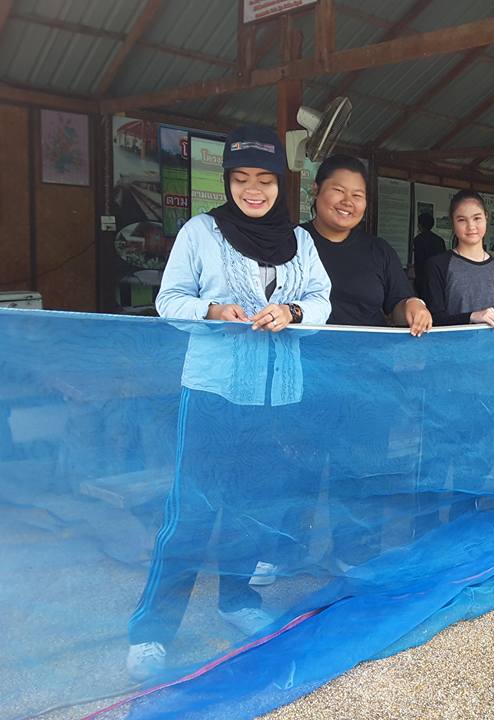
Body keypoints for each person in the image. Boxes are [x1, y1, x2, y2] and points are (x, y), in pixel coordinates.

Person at [127, 126, 332, 680]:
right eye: (241, 179)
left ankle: (237, 600)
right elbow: (168, 300)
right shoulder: (202, 231)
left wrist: (292, 313)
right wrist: (211, 312)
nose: (253, 190)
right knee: (191, 509)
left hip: (275, 394)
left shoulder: (300, 240)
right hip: (214, 391)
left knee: (252, 503)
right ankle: (152, 630)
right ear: (228, 181)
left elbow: (321, 300)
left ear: (280, 185)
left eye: (265, 180)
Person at [300, 154, 432, 335]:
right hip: (304, 357)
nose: (347, 202)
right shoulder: (292, 242)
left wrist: (414, 306)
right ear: (316, 189)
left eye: (357, 195)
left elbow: (397, 306)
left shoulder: (378, 250)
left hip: (368, 357)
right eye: (338, 190)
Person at [424, 189, 494, 328]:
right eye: (461, 220)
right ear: (452, 223)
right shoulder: (438, 265)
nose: (471, 226)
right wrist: (472, 316)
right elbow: (432, 319)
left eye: (477, 218)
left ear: (486, 217)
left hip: (492, 349)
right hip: (450, 348)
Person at [412, 212, 446, 299]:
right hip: (437, 278)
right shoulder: (439, 240)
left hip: (423, 278)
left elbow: (418, 261)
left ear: (420, 225)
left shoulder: (418, 240)